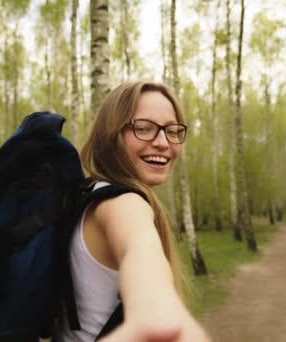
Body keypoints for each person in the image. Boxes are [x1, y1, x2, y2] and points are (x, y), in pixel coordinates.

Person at [54, 81, 210, 342]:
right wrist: (155, 312)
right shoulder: (124, 203)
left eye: (172, 131)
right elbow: (140, 251)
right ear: (111, 133)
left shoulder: (87, 193)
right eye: (144, 128)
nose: (163, 142)